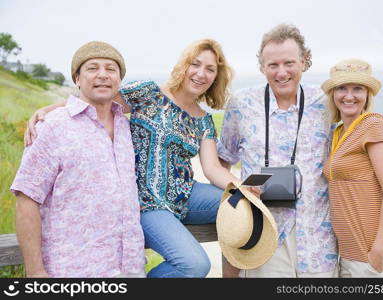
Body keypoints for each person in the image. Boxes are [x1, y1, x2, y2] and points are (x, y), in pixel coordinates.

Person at [25, 39, 241, 278]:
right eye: (196, 64)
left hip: (185, 194)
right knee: (194, 265)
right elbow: (96, 98)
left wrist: (244, 188)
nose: (201, 73)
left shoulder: (204, 120)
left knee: (242, 205)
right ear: (184, 66)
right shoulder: (149, 93)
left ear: (216, 77)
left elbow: (212, 169)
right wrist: (49, 110)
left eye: (210, 69)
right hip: (145, 201)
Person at [11, 41, 146, 277]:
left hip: (129, 268)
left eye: (111, 69)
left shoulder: (126, 126)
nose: (103, 75)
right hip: (73, 271)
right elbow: (26, 198)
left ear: (119, 80)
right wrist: (35, 272)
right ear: (77, 78)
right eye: (93, 68)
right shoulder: (53, 126)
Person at [217, 23, 338, 277]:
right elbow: (223, 159)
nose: (281, 72)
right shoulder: (241, 104)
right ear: (262, 67)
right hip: (263, 233)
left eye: (289, 63)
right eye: (273, 65)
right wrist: (236, 200)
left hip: (317, 237)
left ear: (304, 61)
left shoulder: (327, 102)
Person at [321, 58, 383, 277]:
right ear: (333, 94)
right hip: (350, 257)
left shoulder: (373, 126)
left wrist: (379, 252)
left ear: (367, 95)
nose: (349, 95)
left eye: (358, 89)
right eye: (342, 88)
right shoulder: (338, 133)